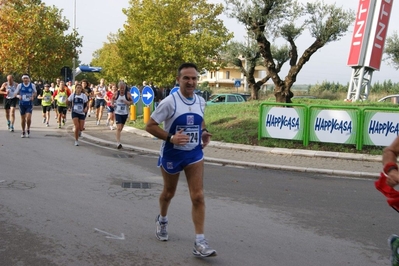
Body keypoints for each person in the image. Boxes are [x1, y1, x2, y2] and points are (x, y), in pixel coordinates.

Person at [145, 63, 216, 257]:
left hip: (194, 153)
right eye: (186, 78)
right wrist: (171, 138)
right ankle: (162, 219)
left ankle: (200, 242)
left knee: (198, 195)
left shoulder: (201, 101)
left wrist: (203, 132)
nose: (191, 82)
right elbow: (150, 125)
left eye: (194, 78)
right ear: (178, 80)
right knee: (169, 193)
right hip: (172, 154)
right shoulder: (170, 102)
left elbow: (200, 119)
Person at [14, 74, 37, 138]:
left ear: (29, 79)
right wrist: (18, 96)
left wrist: (33, 96)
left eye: (27, 78)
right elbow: (15, 93)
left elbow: (35, 92)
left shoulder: (32, 85)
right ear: (22, 79)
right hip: (22, 104)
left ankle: (28, 129)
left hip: (29, 104)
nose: (26, 79)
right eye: (24, 78)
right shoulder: (20, 85)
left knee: (28, 118)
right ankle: (23, 131)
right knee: (23, 118)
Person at [112, 81, 132, 149]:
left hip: (125, 113)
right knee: (119, 127)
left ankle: (117, 136)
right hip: (118, 113)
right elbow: (112, 98)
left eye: (123, 88)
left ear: (125, 88)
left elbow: (132, 102)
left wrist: (128, 102)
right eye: (121, 88)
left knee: (121, 128)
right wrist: (112, 104)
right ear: (119, 88)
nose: (122, 90)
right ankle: (118, 143)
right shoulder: (116, 93)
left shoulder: (128, 94)